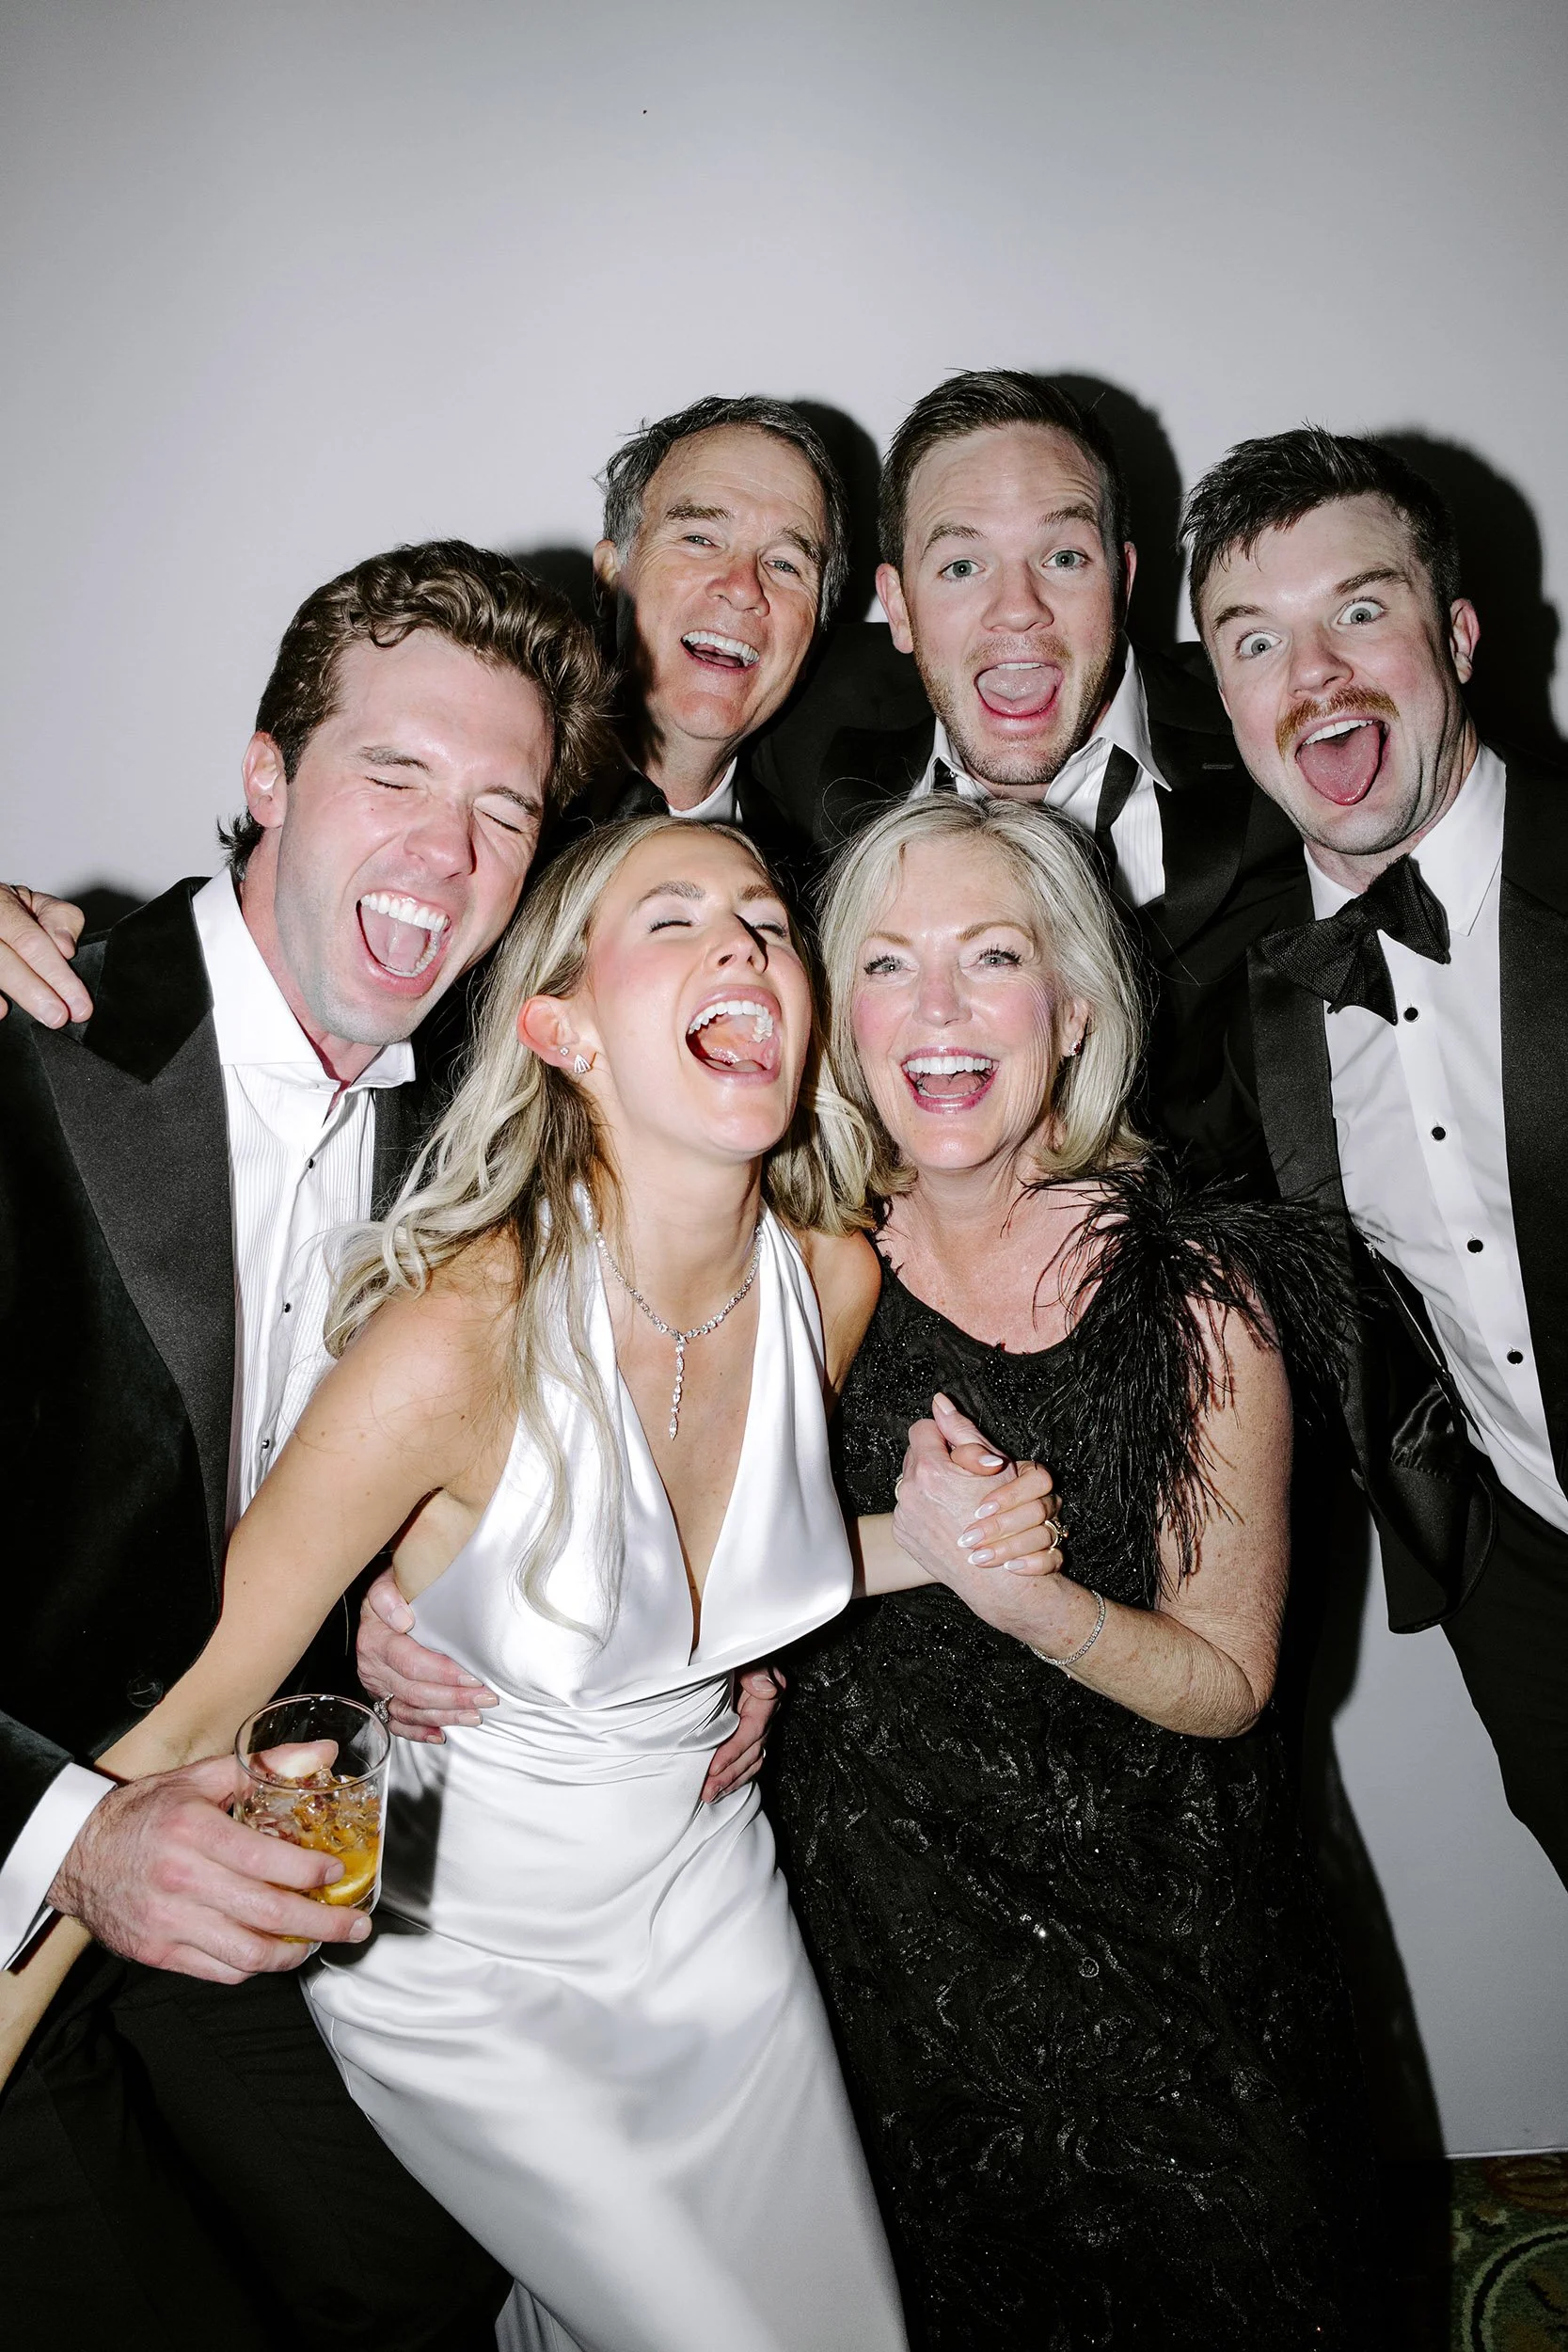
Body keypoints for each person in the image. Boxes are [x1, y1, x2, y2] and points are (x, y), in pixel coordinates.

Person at [29, 816, 1061, 2352]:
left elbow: (718, 1578)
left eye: (767, 923)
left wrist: (932, 1545)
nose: (743, 945)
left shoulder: (830, 1274)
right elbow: (187, 1712)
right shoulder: (460, 1338)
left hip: (714, 1916)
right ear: (560, 1031)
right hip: (469, 1968)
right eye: (674, 921)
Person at [0, 542, 759, 2350]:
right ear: (267, 779)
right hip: (19, 1836)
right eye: (394, 776)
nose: (448, 853)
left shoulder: (480, 1135)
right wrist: (71, 1841)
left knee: (415, 2270)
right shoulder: (26, 1051)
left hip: (260, 1831)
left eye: (502, 810)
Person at [766, 795, 1382, 2349]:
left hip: (1170, 1939)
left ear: (1075, 1005)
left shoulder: (1202, 1295)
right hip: (890, 1947)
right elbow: (690, 1562)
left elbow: (1229, 1685)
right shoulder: (791, 1265)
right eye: (888, 968)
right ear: (838, 1024)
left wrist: (1029, 1597)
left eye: (990, 956)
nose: (942, 1011)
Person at [1184, 425, 1568, 1888]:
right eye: (1255, 641)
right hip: (1517, 1585)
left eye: (1359, 609)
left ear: (1454, 634)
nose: (1316, 676)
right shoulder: (1252, 992)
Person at [750, 370, 1306, 1184]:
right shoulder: (801, 729)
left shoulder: (1273, 740)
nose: (1018, 608)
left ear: (1121, 580)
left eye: (1063, 556)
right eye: (961, 565)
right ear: (897, 606)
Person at [581, 392, 849, 879]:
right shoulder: (495, 821)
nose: (745, 588)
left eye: (785, 563)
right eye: (700, 539)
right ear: (610, 579)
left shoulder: (827, 875)